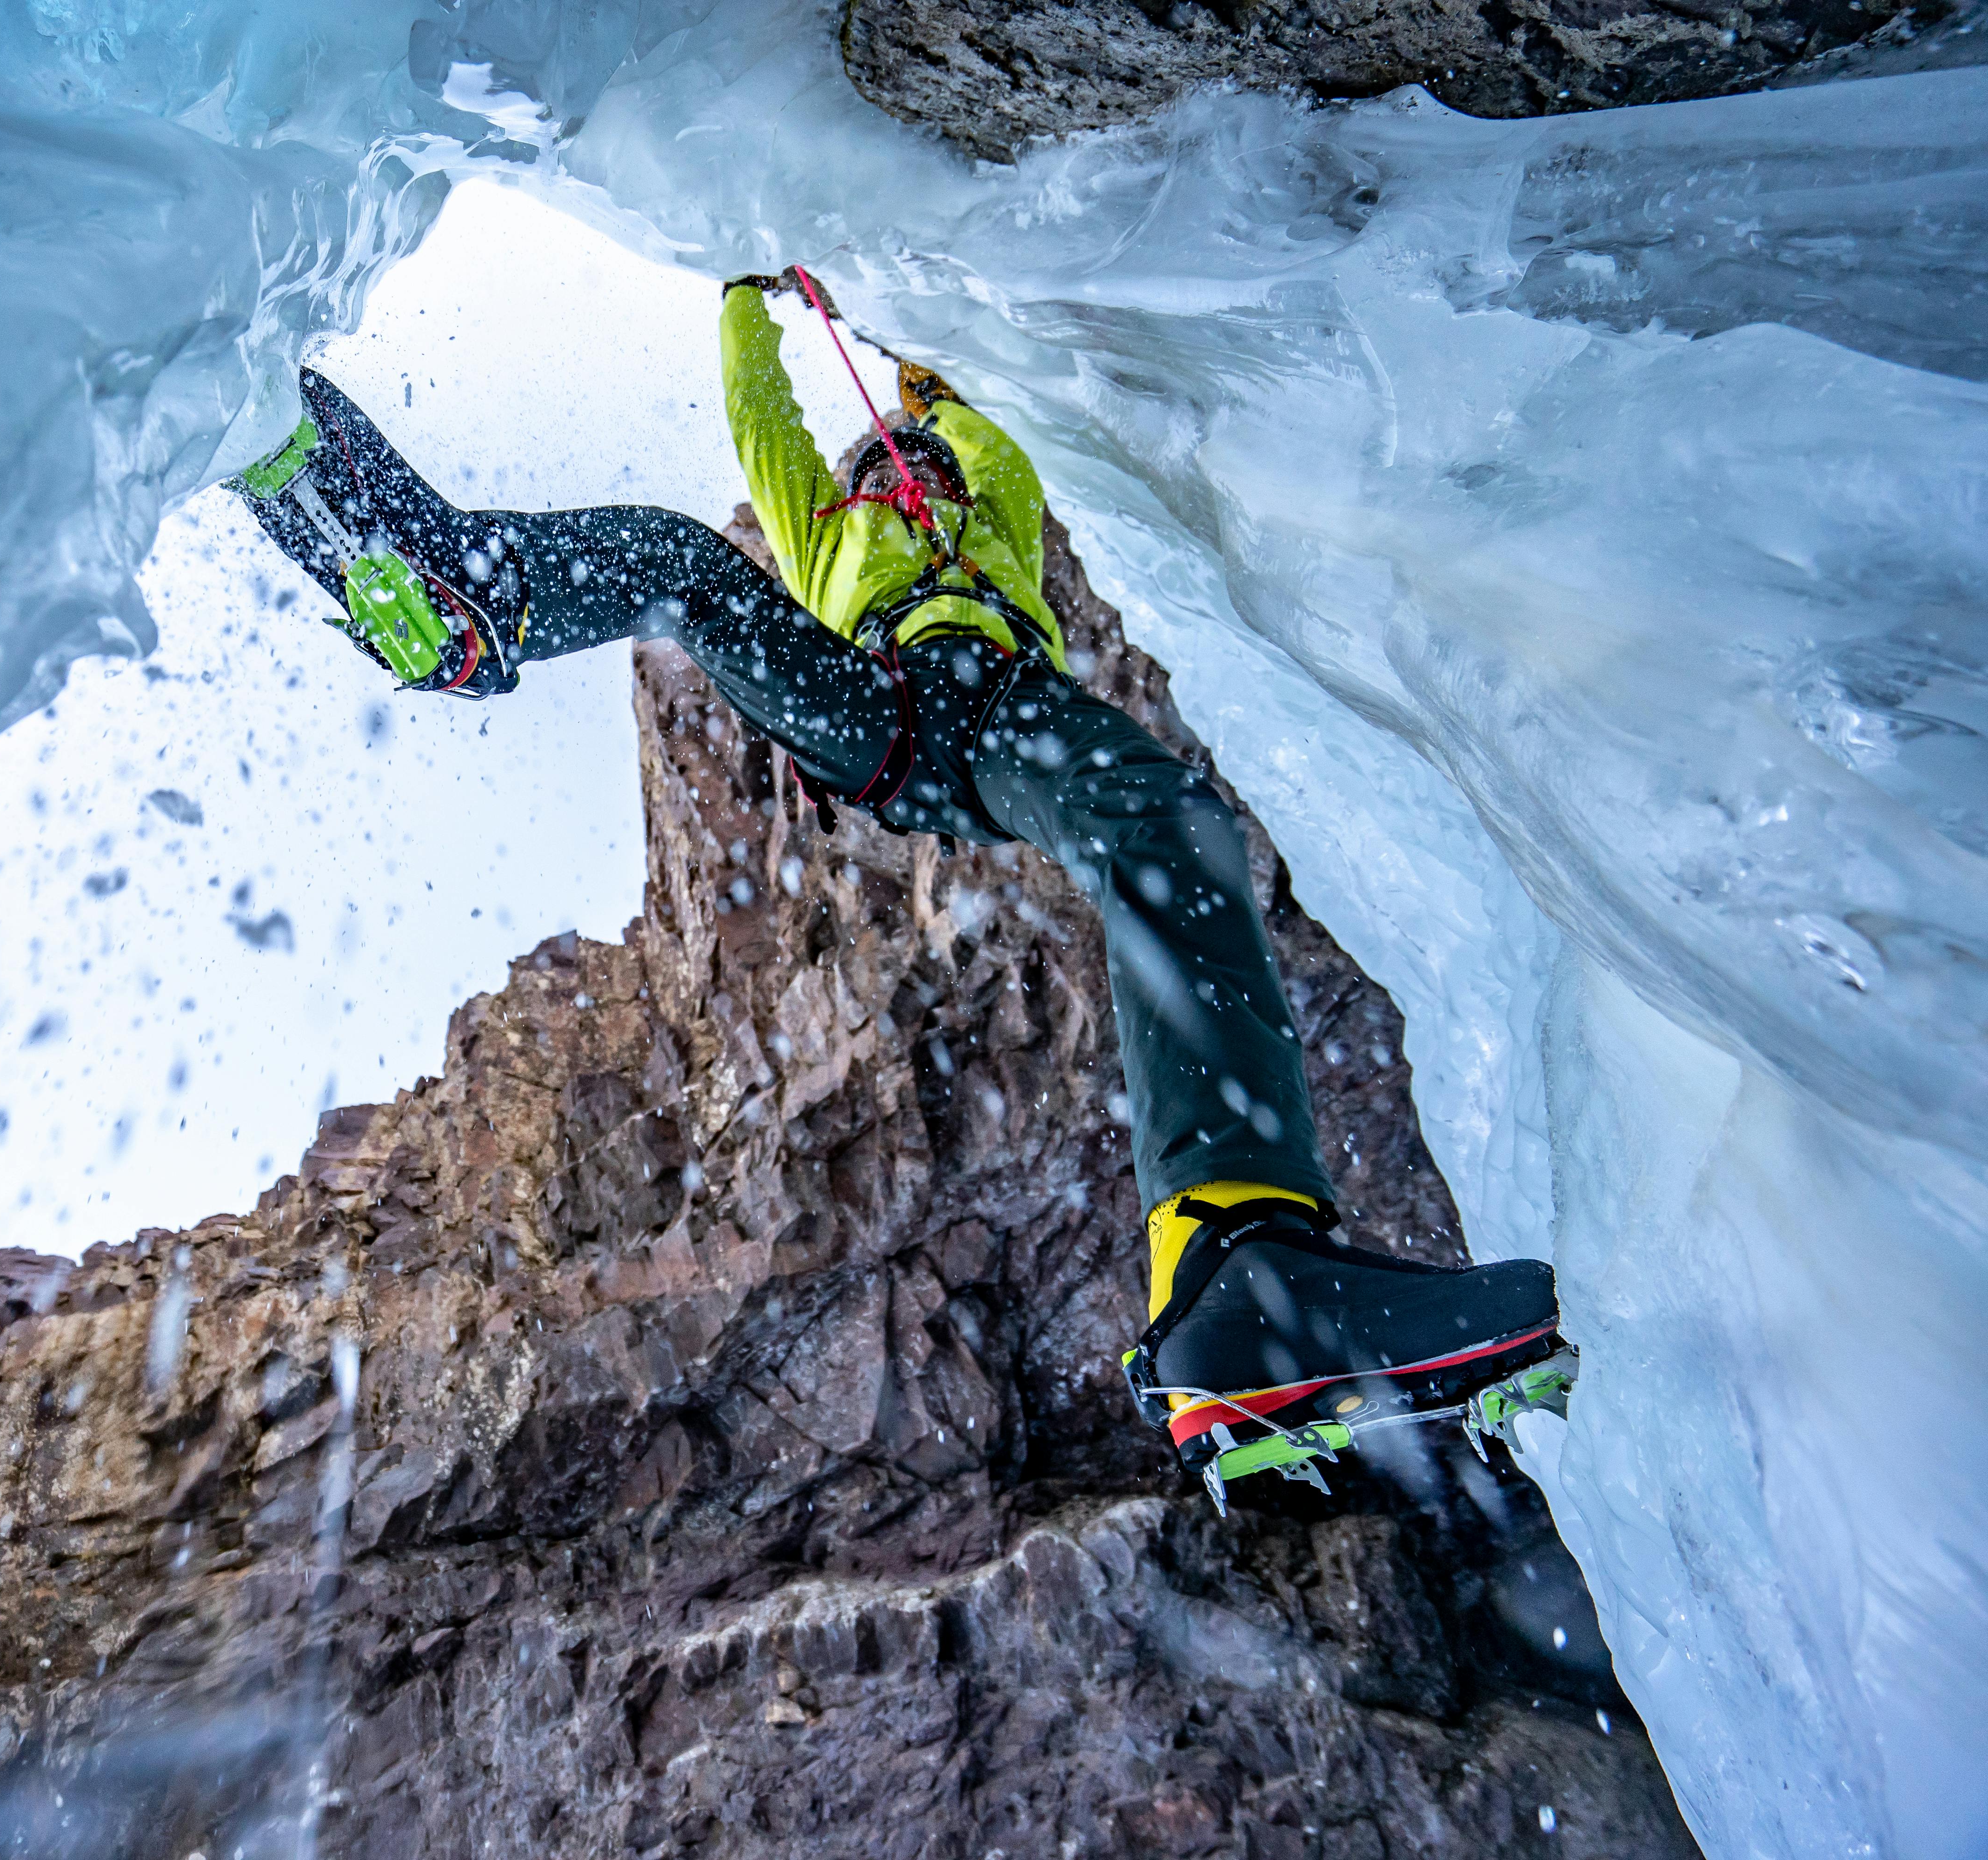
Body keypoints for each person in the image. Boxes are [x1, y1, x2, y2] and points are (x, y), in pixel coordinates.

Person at [226, 276, 1567, 1508]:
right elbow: (766, 424)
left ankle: (1242, 1267)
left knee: (1173, 830)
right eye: (882, 461)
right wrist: (753, 298)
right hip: (878, 704)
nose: (896, 467)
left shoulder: (987, 522)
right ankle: (452, 585)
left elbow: (993, 451)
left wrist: (925, 377)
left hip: (1004, 716)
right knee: (685, 565)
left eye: (909, 458)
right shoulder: (827, 533)